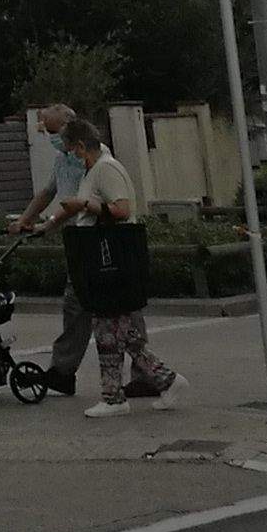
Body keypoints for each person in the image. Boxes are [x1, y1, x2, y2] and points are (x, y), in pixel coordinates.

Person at [53, 116, 175, 416]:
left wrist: (83, 206)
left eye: (70, 150)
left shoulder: (105, 168)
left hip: (108, 259)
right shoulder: (93, 169)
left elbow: (121, 209)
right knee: (116, 331)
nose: (69, 156)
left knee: (111, 329)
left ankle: (121, 395)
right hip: (99, 260)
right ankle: (156, 382)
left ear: (81, 146)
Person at [10, 102, 97, 398]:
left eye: (53, 130)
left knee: (94, 304)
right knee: (79, 306)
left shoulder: (94, 157)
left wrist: (47, 225)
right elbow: (48, 192)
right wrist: (24, 219)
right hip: (77, 238)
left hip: (95, 238)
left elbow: (78, 202)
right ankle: (63, 371)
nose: (51, 137)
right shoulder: (63, 158)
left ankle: (63, 371)